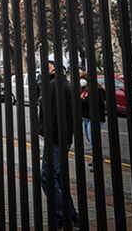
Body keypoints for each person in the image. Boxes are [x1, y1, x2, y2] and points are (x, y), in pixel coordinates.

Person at [38, 60, 79, 228]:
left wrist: (44, 131)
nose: (42, 69)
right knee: (59, 179)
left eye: (46, 65)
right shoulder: (60, 83)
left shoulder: (55, 85)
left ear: (55, 67)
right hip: (63, 137)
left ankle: (63, 215)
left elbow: (54, 114)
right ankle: (73, 216)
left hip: (55, 139)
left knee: (47, 178)